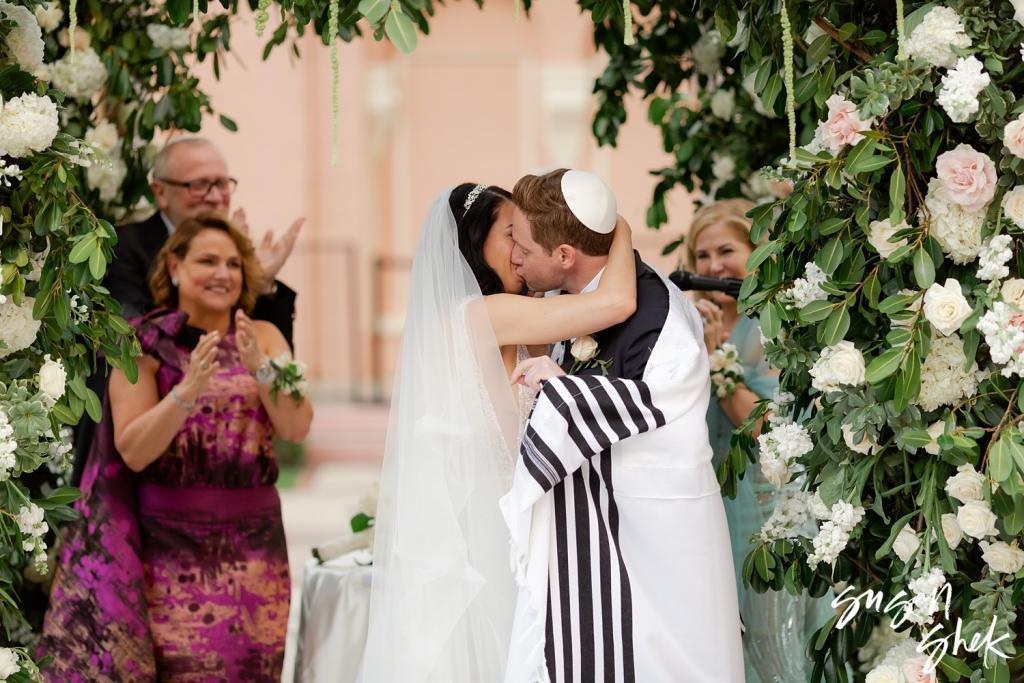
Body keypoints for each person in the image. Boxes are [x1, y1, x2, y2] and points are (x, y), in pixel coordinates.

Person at [358, 180, 638, 682]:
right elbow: (615, 303)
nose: (522, 247)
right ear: (474, 244)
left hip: (523, 523)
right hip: (488, 533)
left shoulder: (518, 318)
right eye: (513, 233)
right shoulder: (478, 314)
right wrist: (615, 227)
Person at [40, 216, 313, 681]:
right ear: (173, 267)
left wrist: (260, 367)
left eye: (233, 263)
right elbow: (135, 450)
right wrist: (186, 391)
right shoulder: (141, 344)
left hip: (257, 556)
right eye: (207, 260)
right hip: (172, 556)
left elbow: (296, 426)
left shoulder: (263, 336)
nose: (223, 273)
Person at [500, 169, 743, 682]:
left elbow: (663, 399)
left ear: (565, 256)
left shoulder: (659, 312)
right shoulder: (578, 300)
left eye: (521, 245)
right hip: (607, 529)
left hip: (658, 538)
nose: (514, 256)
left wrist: (563, 388)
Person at [71, 136, 304, 485]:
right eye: (198, 185)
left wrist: (261, 281)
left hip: (225, 454)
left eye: (222, 183)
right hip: (143, 446)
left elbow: (271, 355)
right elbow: (137, 335)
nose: (214, 195)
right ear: (160, 192)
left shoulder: (234, 254)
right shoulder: (122, 247)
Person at [688, 198, 828, 683]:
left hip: (770, 506)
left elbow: (763, 428)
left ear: (756, 253)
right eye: (701, 257)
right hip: (716, 506)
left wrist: (716, 359)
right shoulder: (696, 326)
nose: (713, 266)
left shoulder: (771, 327)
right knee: (728, 635)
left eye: (725, 250)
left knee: (775, 639)